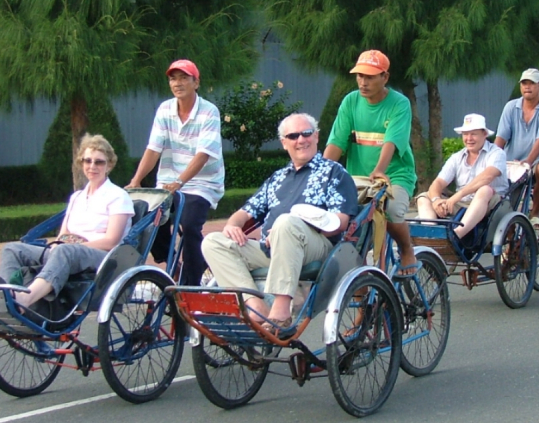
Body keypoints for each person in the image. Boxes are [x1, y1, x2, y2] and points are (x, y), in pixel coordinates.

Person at [202, 113, 358, 336]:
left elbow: (339, 223)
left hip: (317, 248)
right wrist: (233, 225)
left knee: (286, 223)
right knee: (213, 242)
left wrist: (294, 225)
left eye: (306, 133)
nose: (301, 140)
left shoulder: (334, 172)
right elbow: (245, 212)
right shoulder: (277, 178)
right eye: (293, 136)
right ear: (284, 143)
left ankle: (282, 309)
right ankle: (255, 305)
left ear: (316, 137)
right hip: (272, 248)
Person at [1, 134, 134, 310]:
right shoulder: (77, 197)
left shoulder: (118, 196)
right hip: (69, 251)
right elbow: (63, 235)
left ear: (109, 165)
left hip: (102, 257)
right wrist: (59, 245)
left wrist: (77, 246)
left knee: (65, 250)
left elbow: (112, 241)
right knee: (12, 249)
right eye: (87, 161)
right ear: (81, 163)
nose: (92, 166)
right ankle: (9, 295)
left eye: (99, 162)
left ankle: (25, 300)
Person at [127, 59, 224, 287]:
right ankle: (170, 262)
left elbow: (203, 154)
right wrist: (136, 180)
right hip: (168, 182)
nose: (177, 83)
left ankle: (192, 282)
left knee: (190, 224)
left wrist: (180, 181)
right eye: (173, 78)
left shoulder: (209, 112)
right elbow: (153, 149)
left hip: (203, 183)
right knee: (146, 217)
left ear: (196, 82)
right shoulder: (164, 109)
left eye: (183, 78)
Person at [323, 49, 418, 273]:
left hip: (394, 175)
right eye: (359, 76)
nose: (362, 82)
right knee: (346, 222)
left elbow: (391, 141)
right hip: (357, 177)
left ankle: (406, 249)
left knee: (392, 210)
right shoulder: (350, 101)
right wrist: (321, 173)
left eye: (369, 76)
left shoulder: (399, 103)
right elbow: (337, 142)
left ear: (385, 77)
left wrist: (379, 170)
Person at [416, 114, 507, 239]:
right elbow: (438, 183)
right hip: (462, 203)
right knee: (423, 197)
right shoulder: (457, 157)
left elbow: (487, 177)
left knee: (484, 189)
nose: (469, 138)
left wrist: (455, 197)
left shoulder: (497, 153)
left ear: (484, 134)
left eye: (473, 134)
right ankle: (432, 236)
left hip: (492, 204)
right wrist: (436, 200)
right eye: (465, 134)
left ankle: (456, 235)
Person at [495, 68, 539, 226]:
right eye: (524, 83)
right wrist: (492, 159)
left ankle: (535, 214)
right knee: (507, 203)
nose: (527, 87)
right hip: (512, 160)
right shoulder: (511, 107)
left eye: (532, 83)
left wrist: (527, 163)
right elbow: (501, 137)